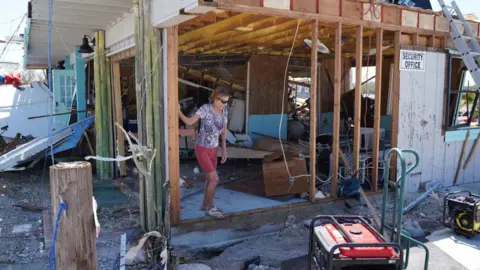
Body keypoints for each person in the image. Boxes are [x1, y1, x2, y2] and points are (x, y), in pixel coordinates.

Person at [178, 86, 229, 219]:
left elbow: (224, 133)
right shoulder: (205, 109)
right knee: (215, 178)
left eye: (227, 101)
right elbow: (189, 121)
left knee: (209, 178)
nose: (225, 104)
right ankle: (211, 208)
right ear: (216, 99)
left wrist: (224, 150)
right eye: (223, 101)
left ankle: (204, 204)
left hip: (214, 150)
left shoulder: (224, 112)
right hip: (202, 149)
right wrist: (179, 112)